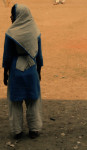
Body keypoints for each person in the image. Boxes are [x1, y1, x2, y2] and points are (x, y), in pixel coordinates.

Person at [3, 4, 43, 139]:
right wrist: (39, 71)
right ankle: (34, 129)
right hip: (31, 69)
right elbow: (39, 55)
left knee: (15, 102)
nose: (11, 17)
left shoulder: (11, 33)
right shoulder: (35, 31)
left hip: (16, 70)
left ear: (18, 16)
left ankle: (17, 131)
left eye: (12, 14)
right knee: (33, 100)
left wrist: (5, 73)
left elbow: (7, 56)